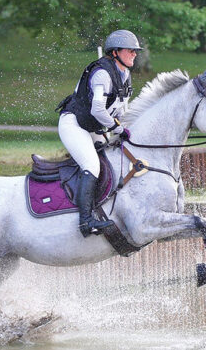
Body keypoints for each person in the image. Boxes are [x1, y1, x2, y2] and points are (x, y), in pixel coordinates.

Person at [55, 29, 141, 237]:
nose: (134, 54)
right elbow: (97, 110)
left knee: (111, 160)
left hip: (92, 128)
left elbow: (120, 110)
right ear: (114, 52)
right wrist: (117, 129)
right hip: (74, 125)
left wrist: (127, 127)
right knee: (92, 165)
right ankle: (85, 221)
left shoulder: (125, 75)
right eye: (130, 50)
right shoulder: (102, 73)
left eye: (135, 51)